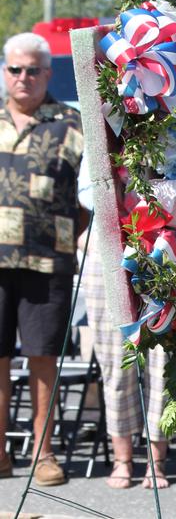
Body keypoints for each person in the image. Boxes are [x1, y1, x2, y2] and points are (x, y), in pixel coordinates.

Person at [0, 33, 84, 486]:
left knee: (43, 359)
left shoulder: (73, 124)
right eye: (15, 69)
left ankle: (44, 454)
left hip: (48, 262)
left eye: (33, 69)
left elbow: (91, 196)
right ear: (5, 71)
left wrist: (68, 235)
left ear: (48, 74)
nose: (23, 77)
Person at [77, 156, 170, 490]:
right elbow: (89, 196)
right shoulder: (99, 134)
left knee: (164, 360)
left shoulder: (168, 119)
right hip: (108, 247)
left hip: (164, 242)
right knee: (117, 362)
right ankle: (123, 459)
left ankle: (157, 462)